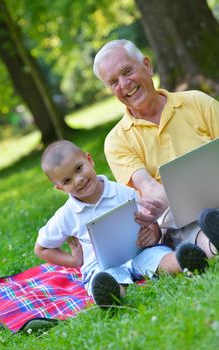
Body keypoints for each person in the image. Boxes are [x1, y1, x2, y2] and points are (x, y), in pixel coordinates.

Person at [34, 140, 207, 309]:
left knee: (159, 257)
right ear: (59, 188)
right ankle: (112, 295)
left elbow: (148, 219)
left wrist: (152, 231)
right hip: (102, 265)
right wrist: (73, 261)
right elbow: (41, 249)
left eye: (79, 169)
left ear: (89, 160)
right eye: (67, 181)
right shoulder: (66, 216)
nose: (78, 180)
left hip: (139, 251)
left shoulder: (121, 192)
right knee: (105, 279)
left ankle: (184, 261)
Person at [93, 39, 219, 262]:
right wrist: (162, 200)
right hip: (182, 219)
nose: (124, 84)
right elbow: (148, 187)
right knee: (197, 233)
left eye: (127, 71)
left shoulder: (197, 102)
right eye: (113, 82)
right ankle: (213, 243)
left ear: (147, 66)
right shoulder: (116, 141)